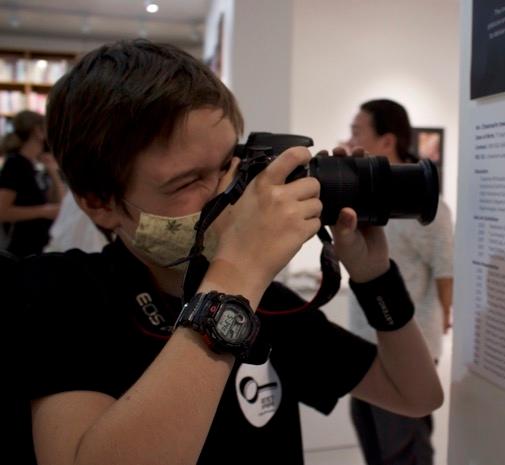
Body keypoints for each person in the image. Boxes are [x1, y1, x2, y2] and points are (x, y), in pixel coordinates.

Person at [21, 40, 442, 465]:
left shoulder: (268, 304)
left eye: (228, 165)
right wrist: (237, 277)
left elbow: (416, 394)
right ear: (98, 202)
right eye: (187, 182)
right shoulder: (63, 292)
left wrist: (374, 276)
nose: (225, 192)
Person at [346, 99, 454, 465]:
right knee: (375, 447)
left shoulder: (425, 204)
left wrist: (443, 323)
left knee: (404, 451)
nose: (350, 138)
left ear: (387, 141)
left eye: (358, 131)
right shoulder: (362, 196)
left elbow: (446, 271)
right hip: (363, 342)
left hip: (409, 349)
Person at [0, 110, 65, 257]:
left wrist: (53, 171)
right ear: (37, 131)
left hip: (40, 248)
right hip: (22, 251)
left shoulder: (35, 165)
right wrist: (43, 211)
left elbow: (58, 203)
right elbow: (2, 211)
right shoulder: (15, 164)